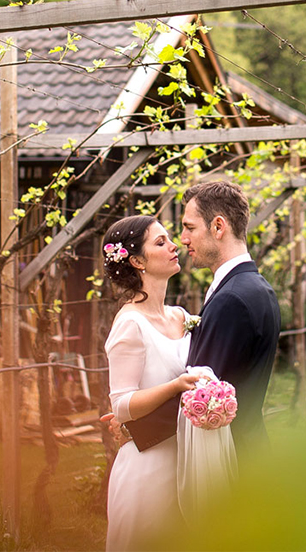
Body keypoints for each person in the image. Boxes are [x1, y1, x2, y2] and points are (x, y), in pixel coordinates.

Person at [123, 181, 281, 466]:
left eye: (190, 227)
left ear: (218, 227)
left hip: (232, 463)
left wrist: (134, 430)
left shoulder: (233, 298)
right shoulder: (254, 287)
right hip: (248, 446)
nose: (182, 239)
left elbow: (203, 395)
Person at [101, 215, 202, 551]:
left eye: (170, 238)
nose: (175, 245)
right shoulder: (130, 324)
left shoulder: (183, 317)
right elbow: (122, 406)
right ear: (137, 261)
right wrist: (175, 387)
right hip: (148, 467)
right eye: (160, 242)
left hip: (187, 461)